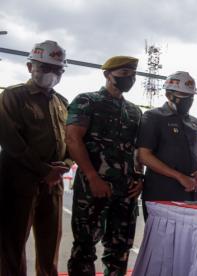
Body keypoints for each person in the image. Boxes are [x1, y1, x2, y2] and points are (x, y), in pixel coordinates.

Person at [66, 56, 143, 276]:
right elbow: (72, 139)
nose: (130, 79)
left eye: (133, 75)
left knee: (120, 248)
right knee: (85, 246)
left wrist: (139, 178)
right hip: (93, 188)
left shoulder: (134, 111)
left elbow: (138, 150)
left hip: (126, 190)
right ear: (108, 75)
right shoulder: (87, 101)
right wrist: (92, 176)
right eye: (124, 74)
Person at [0, 40, 70, 276]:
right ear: (30, 67)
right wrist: (44, 170)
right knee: (12, 246)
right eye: (44, 68)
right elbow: (10, 140)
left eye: (57, 69)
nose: (51, 74)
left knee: (50, 247)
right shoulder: (13, 96)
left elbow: (71, 141)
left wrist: (64, 166)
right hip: (18, 183)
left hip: (53, 185)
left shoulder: (62, 103)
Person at [137, 71, 197, 220]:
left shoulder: (195, 122)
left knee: (189, 239)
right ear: (169, 95)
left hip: (191, 194)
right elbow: (144, 155)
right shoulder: (153, 117)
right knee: (161, 239)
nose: (188, 100)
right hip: (162, 193)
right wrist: (179, 176)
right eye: (184, 96)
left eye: (191, 97)